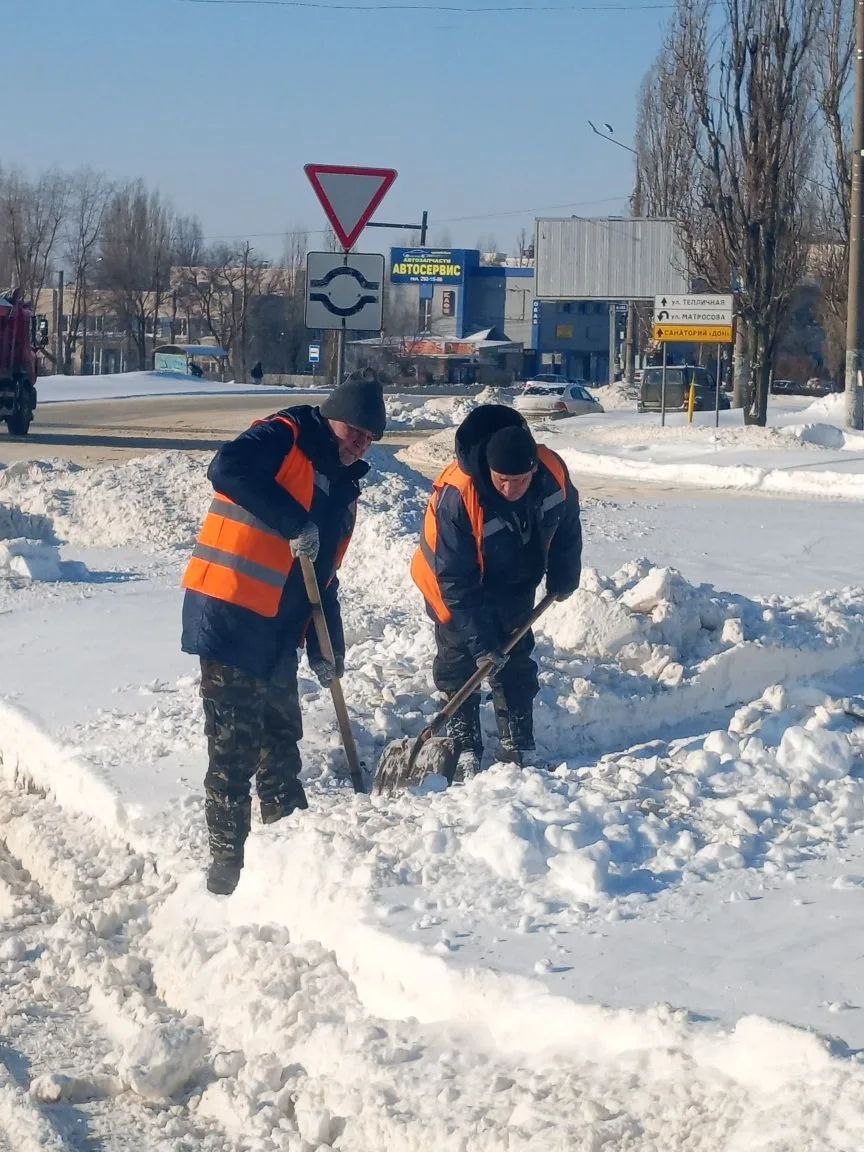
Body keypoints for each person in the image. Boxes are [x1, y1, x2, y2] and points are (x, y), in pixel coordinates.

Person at [181, 372, 387, 894]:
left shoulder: (344, 490)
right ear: (331, 417)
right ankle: (227, 867)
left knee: (281, 739)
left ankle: (288, 848)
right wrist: (293, 521)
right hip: (230, 614)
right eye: (353, 429)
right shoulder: (285, 435)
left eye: (369, 436)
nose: (359, 441)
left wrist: (327, 649)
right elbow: (225, 467)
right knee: (233, 747)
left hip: (277, 627)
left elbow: (326, 578)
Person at [411, 404, 582, 779]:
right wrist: (479, 640)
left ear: (533, 468)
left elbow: (567, 519)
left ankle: (518, 741)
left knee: (515, 654)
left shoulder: (551, 471)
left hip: (512, 574)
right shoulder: (459, 495)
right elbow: (455, 578)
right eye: (502, 479)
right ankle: (466, 741)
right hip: (448, 583)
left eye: (519, 480)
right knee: (461, 658)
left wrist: (565, 570)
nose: (510, 488)